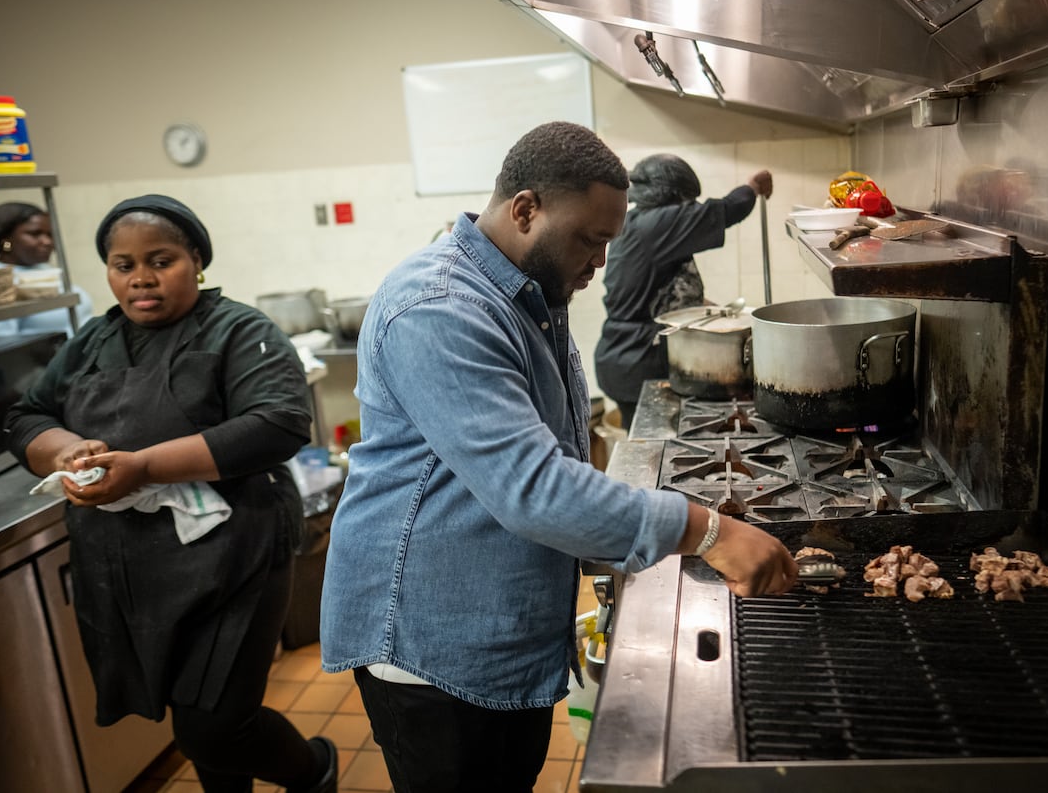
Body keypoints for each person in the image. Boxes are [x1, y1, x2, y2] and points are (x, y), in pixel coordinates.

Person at [319, 122, 797, 793]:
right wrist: (707, 530)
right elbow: (534, 489)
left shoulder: (527, 294)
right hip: (433, 642)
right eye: (589, 239)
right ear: (525, 210)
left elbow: (553, 453)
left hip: (500, 623)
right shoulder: (440, 307)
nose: (601, 261)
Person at [3, 195, 337, 793]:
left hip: (236, 551)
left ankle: (315, 770)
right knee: (193, 708)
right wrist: (66, 450)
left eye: (161, 261)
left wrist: (145, 468)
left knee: (214, 725)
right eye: (123, 265)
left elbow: (278, 423)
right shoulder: (92, 342)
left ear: (197, 262)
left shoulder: (238, 330)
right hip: (135, 559)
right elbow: (26, 415)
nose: (141, 279)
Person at [593, 154, 773, 427]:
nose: (688, 211)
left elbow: (662, 289)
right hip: (638, 359)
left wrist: (715, 311)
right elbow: (725, 210)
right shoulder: (654, 224)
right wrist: (753, 187)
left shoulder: (640, 223)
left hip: (629, 354)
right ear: (670, 196)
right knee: (654, 440)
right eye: (686, 203)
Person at [0, 201, 94, 338]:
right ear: (6, 241)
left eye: (50, 235)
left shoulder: (41, 269)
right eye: (35, 234)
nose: (47, 242)